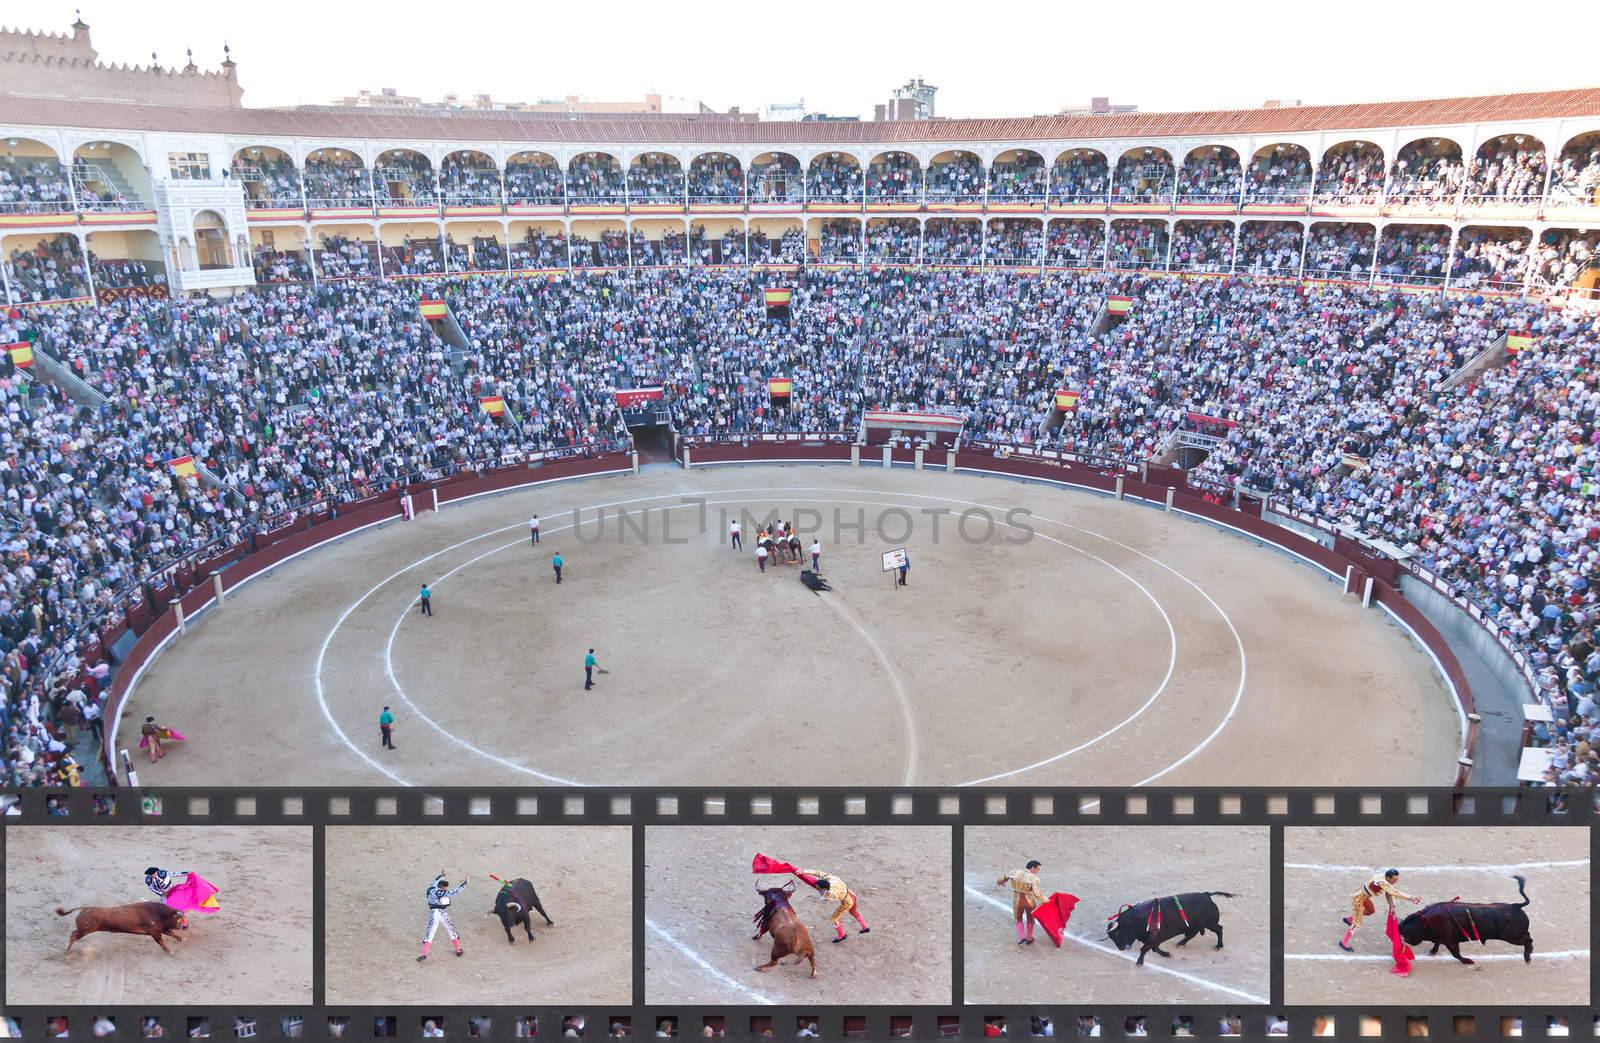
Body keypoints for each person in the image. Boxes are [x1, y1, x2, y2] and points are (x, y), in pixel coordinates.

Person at [1340, 868, 1419, 951]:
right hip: (1358, 899)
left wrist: (1392, 905)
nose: (1396, 881)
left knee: (1371, 911)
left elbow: (1388, 893)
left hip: (1364, 897)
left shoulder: (1386, 880)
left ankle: (1350, 919)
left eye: (1397, 879)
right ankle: (1344, 941)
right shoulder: (1382, 882)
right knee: (1357, 924)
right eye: (1394, 879)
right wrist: (1410, 897)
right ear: (1388, 877)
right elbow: (1393, 892)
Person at [799, 869, 870, 942]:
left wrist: (820, 891)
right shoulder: (832, 878)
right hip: (852, 895)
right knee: (853, 912)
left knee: (834, 919)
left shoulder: (831, 893)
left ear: (824, 888)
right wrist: (805, 871)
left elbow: (824, 898)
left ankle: (841, 935)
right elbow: (818, 873)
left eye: (819, 888)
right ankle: (865, 927)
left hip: (847, 902)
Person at [419, 870, 468, 961]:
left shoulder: (431, 888)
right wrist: (465, 883)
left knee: (430, 933)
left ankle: (424, 953)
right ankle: (458, 950)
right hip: (442, 913)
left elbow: (435, 881)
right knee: (451, 930)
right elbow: (456, 891)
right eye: (446, 888)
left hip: (433, 913)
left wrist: (441, 875)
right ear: (443, 887)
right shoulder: (444, 892)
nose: (446, 889)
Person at [998, 860, 1045, 944]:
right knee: (1030, 919)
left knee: (1018, 919)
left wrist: (1000, 882)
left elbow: (1003, 878)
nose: (1037, 871)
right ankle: (1029, 938)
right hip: (1029, 901)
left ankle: (1022, 937)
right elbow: (1037, 894)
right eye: (1037, 869)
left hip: (1017, 901)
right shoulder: (1033, 878)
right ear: (1032, 868)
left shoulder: (1014, 872)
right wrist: (1047, 901)